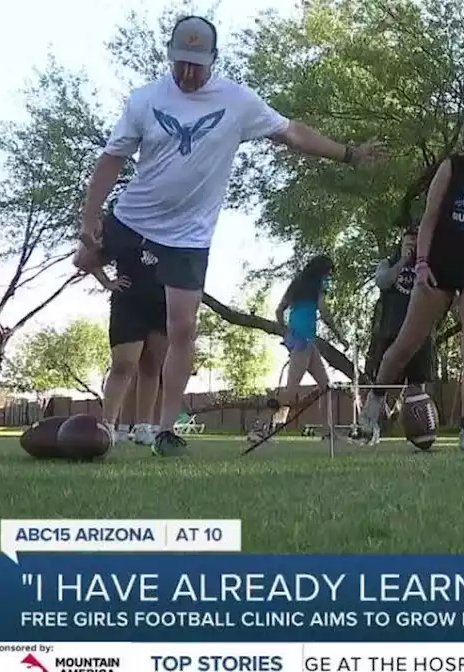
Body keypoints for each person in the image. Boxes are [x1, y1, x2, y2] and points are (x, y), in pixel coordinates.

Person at [76, 15, 385, 457]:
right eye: (180, 63)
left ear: (214, 61)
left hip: (187, 237)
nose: (187, 73)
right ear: (170, 56)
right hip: (134, 220)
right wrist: (90, 221)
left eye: (196, 65)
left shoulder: (237, 102)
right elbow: (110, 160)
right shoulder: (144, 100)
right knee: (83, 260)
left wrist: (349, 153)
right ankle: (106, 417)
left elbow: (292, 133)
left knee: (183, 329)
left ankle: (164, 431)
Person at [358, 106, 464, 454]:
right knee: (406, 343)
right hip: (439, 266)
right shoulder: (451, 168)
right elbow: (429, 219)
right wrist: (421, 264)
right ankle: (373, 405)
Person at [73, 222, 168, 447]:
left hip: (162, 302)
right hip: (128, 302)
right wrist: (107, 282)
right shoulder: (122, 226)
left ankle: (144, 427)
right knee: (124, 364)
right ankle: (108, 425)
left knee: (152, 366)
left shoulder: (171, 225)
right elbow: (83, 260)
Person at [271, 254, 336, 434]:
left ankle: (328, 431)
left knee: (326, 386)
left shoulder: (297, 284)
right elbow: (323, 312)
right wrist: (339, 334)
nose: (330, 276)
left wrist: (287, 333)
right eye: (329, 273)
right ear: (323, 271)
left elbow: (279, 311)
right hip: (303, 342)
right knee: (291, 389)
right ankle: (263, 428)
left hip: (303, 341)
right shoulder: (321, 284)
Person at [368, 228, 434, 392]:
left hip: (418, 334)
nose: (412, 246)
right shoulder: (387, 264)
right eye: (408, 242)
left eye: (415, 242)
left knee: (417, 385)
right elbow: (382, 282)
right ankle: (378, 414)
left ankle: (413, 416)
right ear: (401, 244)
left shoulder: (427, 267)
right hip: (391, 332)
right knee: (385, 383)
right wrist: (402, 261)